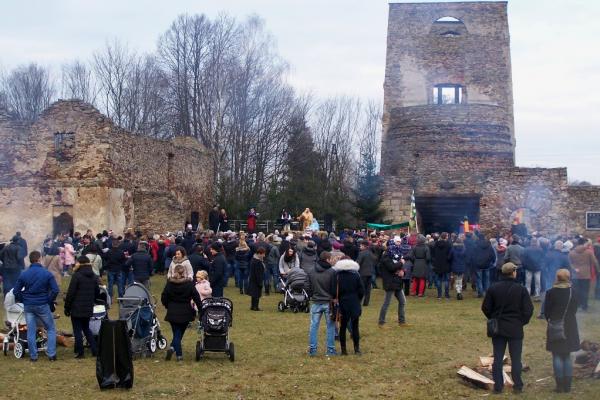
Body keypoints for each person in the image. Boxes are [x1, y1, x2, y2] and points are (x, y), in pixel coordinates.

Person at [482, 262, 534, 394]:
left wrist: (493, 317)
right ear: (513, 272)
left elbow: (486, 308)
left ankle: (498, 387)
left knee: (498, 359)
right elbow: (528, 310)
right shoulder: (521, 289)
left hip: (498, 328)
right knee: (516, 359)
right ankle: (517, 386)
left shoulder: (493, 288)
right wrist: (521, 322)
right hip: (515, 328)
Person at [13, 251, 59, 361]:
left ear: (30, 260)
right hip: (42, 304)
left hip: (29, 306)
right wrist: (49, 300)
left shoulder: (24, 274)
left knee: (31, 330)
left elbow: (16, 291)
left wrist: (23, 299)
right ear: (39, 259)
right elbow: (55, 290)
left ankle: (33, 356)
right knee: (51, 328)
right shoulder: (47, 273)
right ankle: (51, 354)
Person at [544, 269, 579, 393]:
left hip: (555, 325)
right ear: (568, 277)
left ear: (557, 278)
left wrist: (551, 319)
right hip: (570, 326)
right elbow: (575, 309)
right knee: (567, 355)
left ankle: (559, 386)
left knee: (557, 355)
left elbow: (546, 311)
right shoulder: (573, 292)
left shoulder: (550, 293)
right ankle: (567, 386)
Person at [161, 264, 203, 361]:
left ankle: (172, 347)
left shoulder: (169, 284)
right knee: (178, 333)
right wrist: (201, 309)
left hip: (172, 310)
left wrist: (168, 305)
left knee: (176, 332)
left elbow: (164, 297)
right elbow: (196, 296)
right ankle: (179, 355)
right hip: (185, 311)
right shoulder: (189, 284)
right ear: (184, 272)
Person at [64, 256, 100, 358]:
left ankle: (80, 352)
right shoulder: (93, 276)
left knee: (77, 330)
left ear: (80, 263)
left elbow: (71, 293)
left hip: (76, 308)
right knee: (86, 329)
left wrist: (67, 307)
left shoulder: (77, 276)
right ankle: (95, 350)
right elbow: (97, 292)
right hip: (88, 307)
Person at [306, 252, 337, 356]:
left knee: (313, 327)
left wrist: (312, 295)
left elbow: (308, 286)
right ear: (327, 259)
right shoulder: (332, 272)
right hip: (328, 303)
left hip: (316, 302)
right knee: (331, 327)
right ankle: (330, 350)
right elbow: (333, 289)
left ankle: (313, 350)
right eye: (331, 259)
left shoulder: (311, 271)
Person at [332, 258, 364, 355]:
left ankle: (344, 350)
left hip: (343, 303)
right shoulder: (356, 276)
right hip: (354, 302)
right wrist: (358, 299)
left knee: (343, 327)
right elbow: (361, 291)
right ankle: (357, 349)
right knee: (355, 327)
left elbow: (334, 291)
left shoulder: (337, 276)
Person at [378, 242, 407, 326]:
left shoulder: (394, 255)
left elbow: (397, 267)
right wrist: (401, 263)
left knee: (402, 301)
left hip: (397, 282)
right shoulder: (386, 257)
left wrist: (402, 271)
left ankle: (402, 321)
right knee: (387, 303)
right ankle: (381, 322)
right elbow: (392, 267)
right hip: (390, 282)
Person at [470, 232, 496, 298]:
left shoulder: (475, 244)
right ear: (484, 237)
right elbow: (493, 255)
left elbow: (472, 255)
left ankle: (480, 293)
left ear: (478, 237)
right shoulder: (489, 245)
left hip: (478, 265)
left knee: (479, 279)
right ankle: (486, 292)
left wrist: (474, 263)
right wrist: (492, 262)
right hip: (487, 264)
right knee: (486, 279)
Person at [431, 232, 452, 299]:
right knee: (446, 280)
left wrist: (435, 261)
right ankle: (446, 295)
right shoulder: (448, 244)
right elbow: (450, 255)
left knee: (439, 280)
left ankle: (439, 295)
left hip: (438, 264)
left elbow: (433, 254)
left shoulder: (436, 244)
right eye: (447, 236)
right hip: (446, 264)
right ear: (446, 237)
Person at [356, 241, 375, 306]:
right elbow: (375, 260)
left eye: (361, 246)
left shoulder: (361, 253)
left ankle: (359, 301)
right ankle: (366, 302)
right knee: (368, 289)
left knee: (361, 288)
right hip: (370, 273)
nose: (360, 247)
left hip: (363, 273)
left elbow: (358, 263)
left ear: (364, 246)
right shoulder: (371, 253)